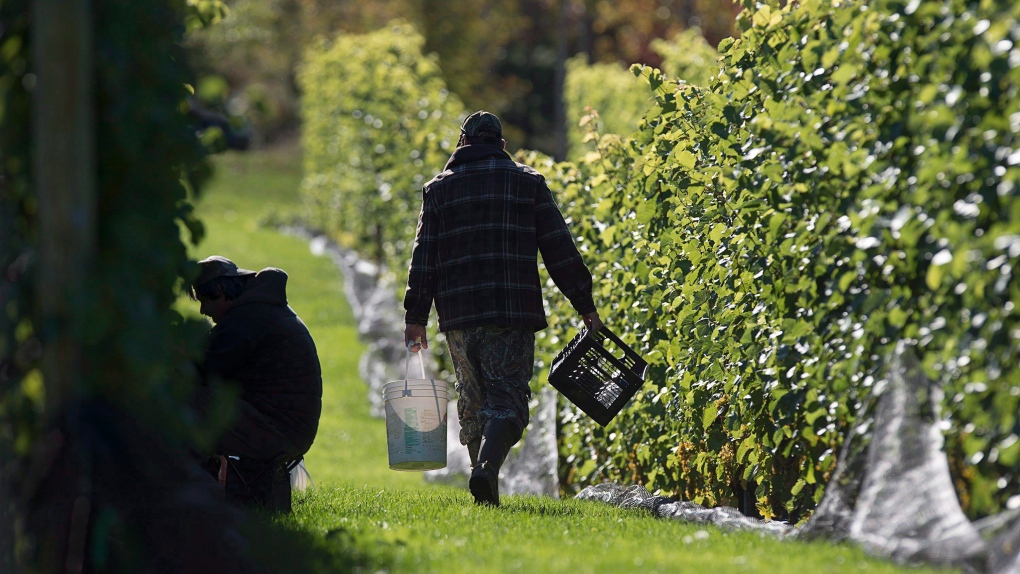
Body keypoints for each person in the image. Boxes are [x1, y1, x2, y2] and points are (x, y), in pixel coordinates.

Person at [403, 111, 602, 506]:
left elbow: (423, 256)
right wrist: (584, 303)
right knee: (507, 398)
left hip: (459, 316)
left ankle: (484, 485)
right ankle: (486, 471)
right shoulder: (527, 184)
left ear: (462, 143)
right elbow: (560, 248)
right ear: (501, 144)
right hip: (511, 311)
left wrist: (415, 317)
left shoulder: (438, 190)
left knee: (473, 399)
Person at [189, 255, 322, 464]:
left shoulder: (247, 318)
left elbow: (203, 371)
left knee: (181, 397)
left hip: (278, 433)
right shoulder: (256, 310)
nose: (203, 310)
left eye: (204, 301)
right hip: (285, 429)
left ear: (221, 293)